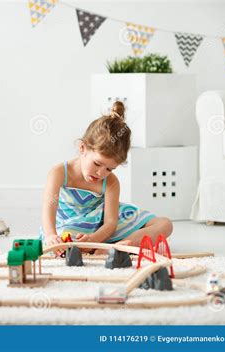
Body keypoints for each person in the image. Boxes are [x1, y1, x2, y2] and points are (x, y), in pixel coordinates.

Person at [41, 101, 173, 255]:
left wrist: (94, 239)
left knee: (165, 224)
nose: (100, 173)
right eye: (97, 163)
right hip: (70, 225)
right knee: (61, 240)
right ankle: (112, 248)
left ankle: (121, 246)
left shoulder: (111, 182)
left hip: (101, 226)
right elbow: (49, 206)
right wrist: (51, 235)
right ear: (82, 148)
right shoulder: (59, 172)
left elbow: (110, 223)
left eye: (109, 169)